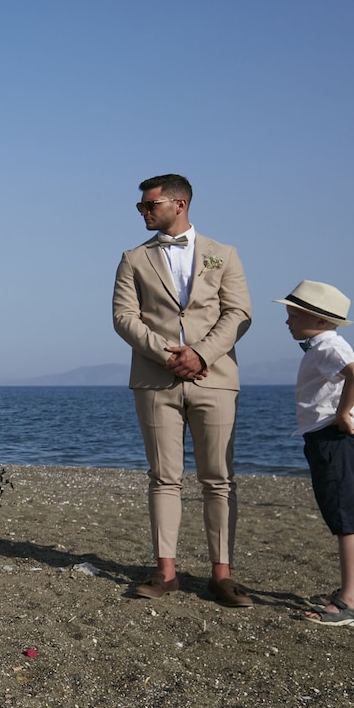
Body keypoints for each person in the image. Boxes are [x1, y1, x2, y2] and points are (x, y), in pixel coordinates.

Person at [112, 174, 253, 607]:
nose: (143, 211)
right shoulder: (133, 258)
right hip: (156, 380)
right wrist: (167, 354)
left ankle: (222, 575)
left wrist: (202, 354)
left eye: (149, 205)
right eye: (141, 206)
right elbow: (123, 318)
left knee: (219, 480)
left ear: (179, 203)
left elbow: (239, 313)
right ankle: (165, 572)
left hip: (215, 378)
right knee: (164, 478)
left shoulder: (223, 254)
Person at [274, 281, 354, 627]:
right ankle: (352, 593)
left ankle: (351, 602)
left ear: (317, 320)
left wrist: (344, 414)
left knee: (346, 520)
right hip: (327, 439)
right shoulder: (322, 346)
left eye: (292, 315)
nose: (287, 322)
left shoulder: (328, 346)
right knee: (344, 517)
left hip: (334, 439)